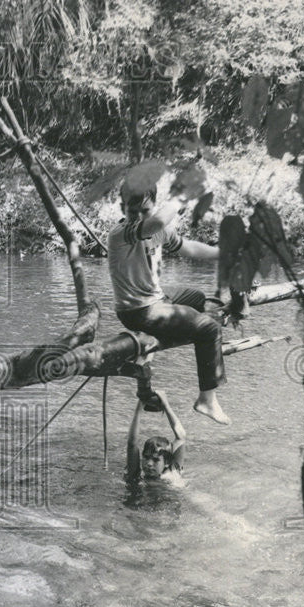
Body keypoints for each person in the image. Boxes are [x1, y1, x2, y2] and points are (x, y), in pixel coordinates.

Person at [106, 160, 230, 425]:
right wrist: (182, 197)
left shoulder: (158, 229)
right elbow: (158, 220)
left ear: (153, 205)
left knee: (198, 298)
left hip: (157, 299)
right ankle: (207, 400)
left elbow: (188, 248)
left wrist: (224, 253)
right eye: (132, 211)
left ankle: (173, 337)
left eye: (145, 210)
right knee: (209, 329)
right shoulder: (121, 233)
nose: (139, 217)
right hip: (137, 311)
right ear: (121, 209)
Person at [126, 387, 186, 485]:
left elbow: (181, 436)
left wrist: (166, 405)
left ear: (166, 463)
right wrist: (139, 406)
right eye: (146, 457)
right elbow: (132, 443)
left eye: (156, 460)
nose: (149, 464)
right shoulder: (136, 474)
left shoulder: (172, 474)